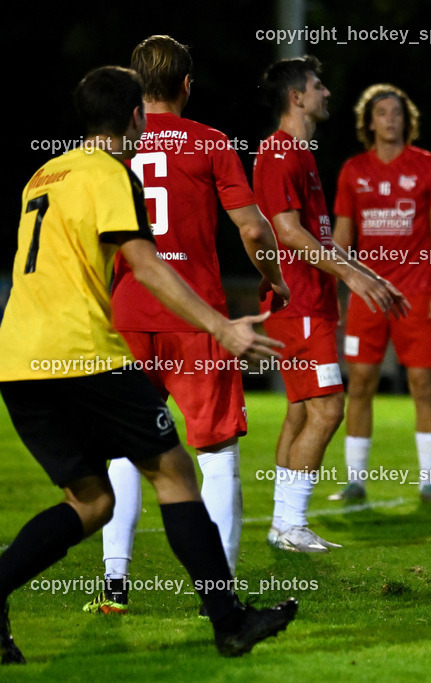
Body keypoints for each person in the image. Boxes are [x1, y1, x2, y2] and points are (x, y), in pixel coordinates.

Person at [0, 66, 296, 664]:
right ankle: (230, 620)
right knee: (174, 473)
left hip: (17, 357)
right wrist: (220, 325)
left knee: (91, 500)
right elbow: (147, 263)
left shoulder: (43, 173)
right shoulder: (112, 173)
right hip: (81, 353)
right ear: (135, 114)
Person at [83, 35, 291, 616]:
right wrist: (273, 275)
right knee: (217, 454)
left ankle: (115, 585)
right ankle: (218, 596)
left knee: (127, 451)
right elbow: (251, 230)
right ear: (186, 84)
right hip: (197, 317)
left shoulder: (110, 147)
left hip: (126, 311)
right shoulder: (211, 142)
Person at [254, 57, 408, 553]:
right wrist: (349, 277)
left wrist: (367, 276)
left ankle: (282, 525)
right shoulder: (280, 154)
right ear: (296, 97)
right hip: (299, 306)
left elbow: (320, 236)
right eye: (318, 86)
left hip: (310, 304)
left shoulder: (301, 155)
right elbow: (288, 232)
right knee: (328, 409)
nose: (326, 92)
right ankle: (293, 523)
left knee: (301, 413)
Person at [329, 83, 431, 504]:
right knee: (360, 382)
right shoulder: (353, 171)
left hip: (417, 293)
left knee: (423, 384)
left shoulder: (430, 166)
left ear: (407, 119)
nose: (390, 119)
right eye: (381, 112)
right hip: (368, 295)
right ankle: (355, 481)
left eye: (397, 112)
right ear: (369, 121)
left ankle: (429, 483)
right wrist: (343, 288)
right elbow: (341, 240)